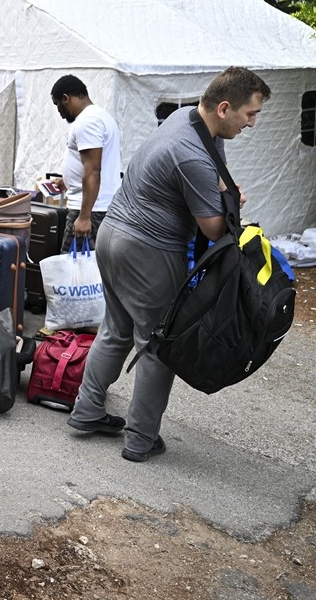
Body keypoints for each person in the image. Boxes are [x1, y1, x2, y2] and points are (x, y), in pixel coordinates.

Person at [66, 67, 270, 462]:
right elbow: (212, 228)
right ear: (225, 108)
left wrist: (223, 191)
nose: (252, 123)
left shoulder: (187, 119)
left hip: (112, 237)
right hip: (146, 248)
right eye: (250, 114)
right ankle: (141, 439)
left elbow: (216, 180)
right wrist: (230, 202)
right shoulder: (191, 151)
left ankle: (87, 411)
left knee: (117, 328)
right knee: (159, 343)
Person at [49, 75, 122, 251]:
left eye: (57, 104)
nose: (59, 111)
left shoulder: (88, 122)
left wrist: (84, 217)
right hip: (95, 206)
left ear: (66, 98)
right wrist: (68, 182)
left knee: (71, 271)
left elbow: (93, 170)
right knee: (87, 271)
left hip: (90, 210)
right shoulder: (99, 116)